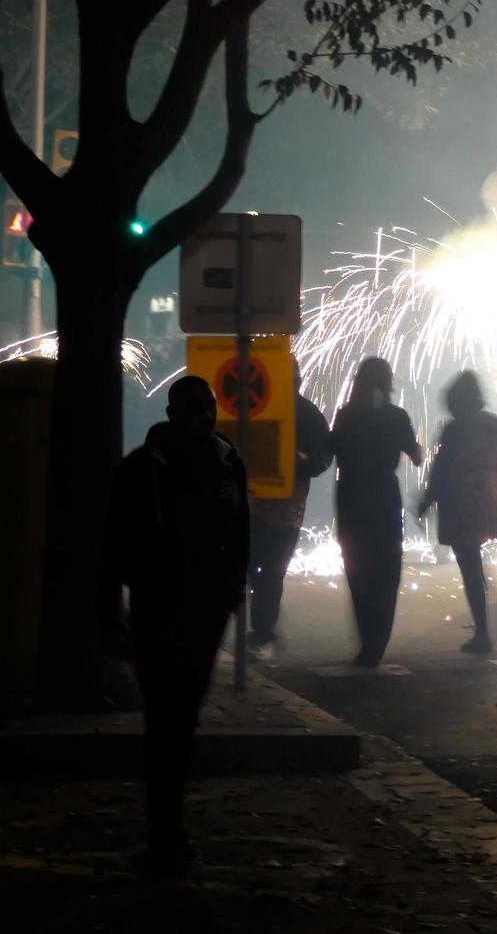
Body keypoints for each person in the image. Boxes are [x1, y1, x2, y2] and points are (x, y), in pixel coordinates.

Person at [97, 375, 249, 873]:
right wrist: (112, 615)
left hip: (204, 612)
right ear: (171, 412)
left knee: (181, 717)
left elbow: (240, 534)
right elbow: (113, 547)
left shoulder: (227, 464)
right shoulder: (141, 471)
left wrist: (230, 594)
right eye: (192, 408)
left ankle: (168, 827)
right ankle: (165, 830)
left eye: (209, 408)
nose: (204, 417)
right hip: (156, 609)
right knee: (165, 717)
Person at [418, 371, 497, 653]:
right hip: (488, 504)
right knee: (473, 560)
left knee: (470, 565)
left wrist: (426, 501)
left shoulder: (455, 428)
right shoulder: (494, 424)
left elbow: (441, 470)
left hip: (460, 506)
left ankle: (483, 631)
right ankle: (484, 626)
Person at [330, 357, 422, 668]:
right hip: (384, 499)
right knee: (386, 572)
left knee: (357, 571)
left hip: (352, 498)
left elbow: (331, 451)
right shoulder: (397, 417)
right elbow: (417, 456)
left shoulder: (346, 415)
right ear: (388, 383)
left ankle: (366, 640)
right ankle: (377, 642)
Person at [247, 360, 332, 660]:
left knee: (271, 571)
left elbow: (323, 457)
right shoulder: (257, 406)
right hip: (256, 504)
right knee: (260, 570)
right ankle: (262, 626)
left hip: (285, 507)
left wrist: (304, 459)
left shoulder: (306, 413)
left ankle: (263, 629)